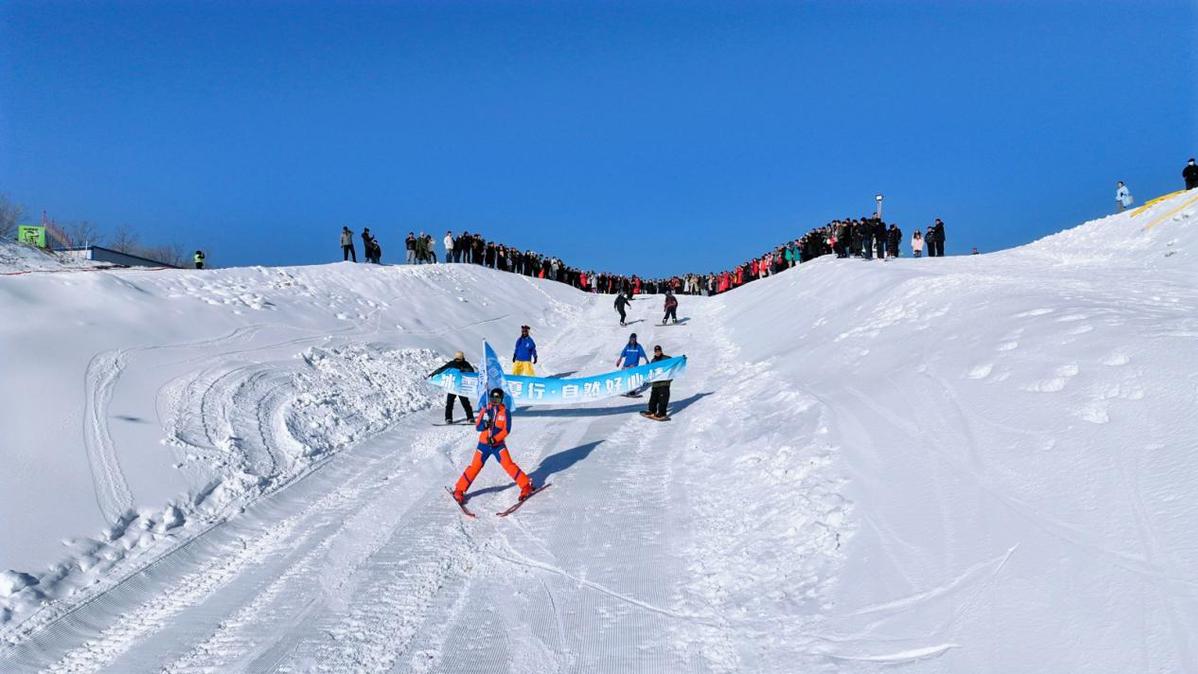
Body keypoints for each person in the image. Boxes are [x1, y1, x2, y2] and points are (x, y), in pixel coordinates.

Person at [452, 387, 534, 505]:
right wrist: (485, 423)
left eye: (497, 399)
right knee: (474, 467)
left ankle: (526, 485)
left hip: (498, 445)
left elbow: (506, 430)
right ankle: (459, 490)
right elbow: (478, 426)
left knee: (508, 465)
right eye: (492, 398)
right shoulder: (486, 410)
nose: (494, 401)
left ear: (501, 399)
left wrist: (495, 439)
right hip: (483, 446)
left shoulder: (505, 413)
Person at [429, 352, 476, 424]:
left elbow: (471, 372)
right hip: (452, 387)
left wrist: (465, 371)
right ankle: (448, 418)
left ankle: (470, 418)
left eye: (459, 359)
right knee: (449, 403)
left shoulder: (466, 364)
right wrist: (434, 373)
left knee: (465, 403)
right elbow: (442, 369)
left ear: (462, 358)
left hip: (461, 387)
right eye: (457, 359)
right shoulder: (452, 363)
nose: (458, 360)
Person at [646, 345, 672, 419]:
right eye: (656, 351)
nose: (657, 352)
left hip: (664, 383)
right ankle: (652, 411)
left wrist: (682, 359)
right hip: (655, 383)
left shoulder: (666, 358)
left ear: (661, 351)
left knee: (663, 399)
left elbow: (674, 362)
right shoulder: (653, 361)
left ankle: (662, 413)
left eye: (659, 351)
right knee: (653, 398)